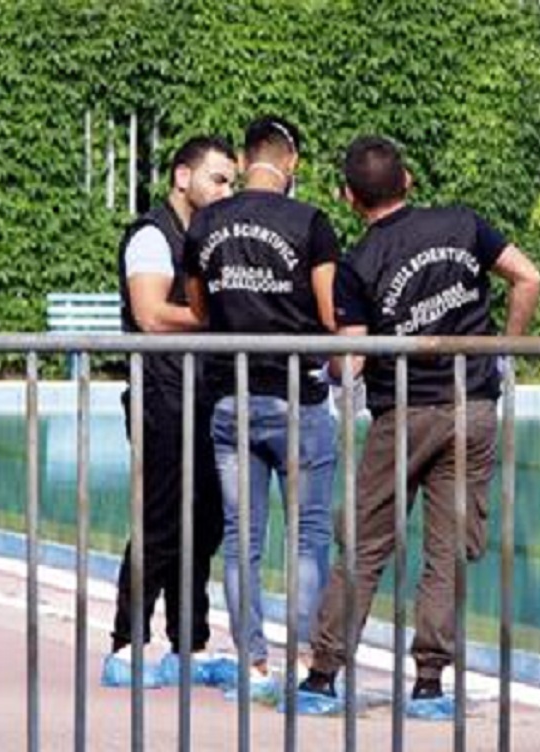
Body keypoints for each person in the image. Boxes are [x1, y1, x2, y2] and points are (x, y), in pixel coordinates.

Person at [297, 135, 540, 711]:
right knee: (447, 551)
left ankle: (323, 677)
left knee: (365, 543)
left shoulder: (358, 264)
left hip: (403, 414)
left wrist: (323, 363)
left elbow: (353, 360)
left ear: (350, 199)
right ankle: (430, 684)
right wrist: (505, 349)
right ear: (408, 180)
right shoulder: (464, 224)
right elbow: (527, 277)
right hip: (472, 405)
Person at [184, 116, 340, 700]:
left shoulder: (207, 222)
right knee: (306, 537)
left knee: (241, 540)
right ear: (290, 162)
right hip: (297, 396)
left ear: (247, 159)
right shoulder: (310, 222)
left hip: (230, 398)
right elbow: (329, 314)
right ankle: (305, 667)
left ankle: (253, 666)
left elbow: (200, 310)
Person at [103, 136, 236, 688]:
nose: (227, 190)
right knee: (160, 520)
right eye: (218, 179)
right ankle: (126, 645)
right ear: (183, 177)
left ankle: (190, 645)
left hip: (202, 396)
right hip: (162, 397)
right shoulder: (152, 236)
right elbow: (152, 314)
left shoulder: (207, 239)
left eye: (231, 180)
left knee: (203, 523)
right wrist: (222, 316)